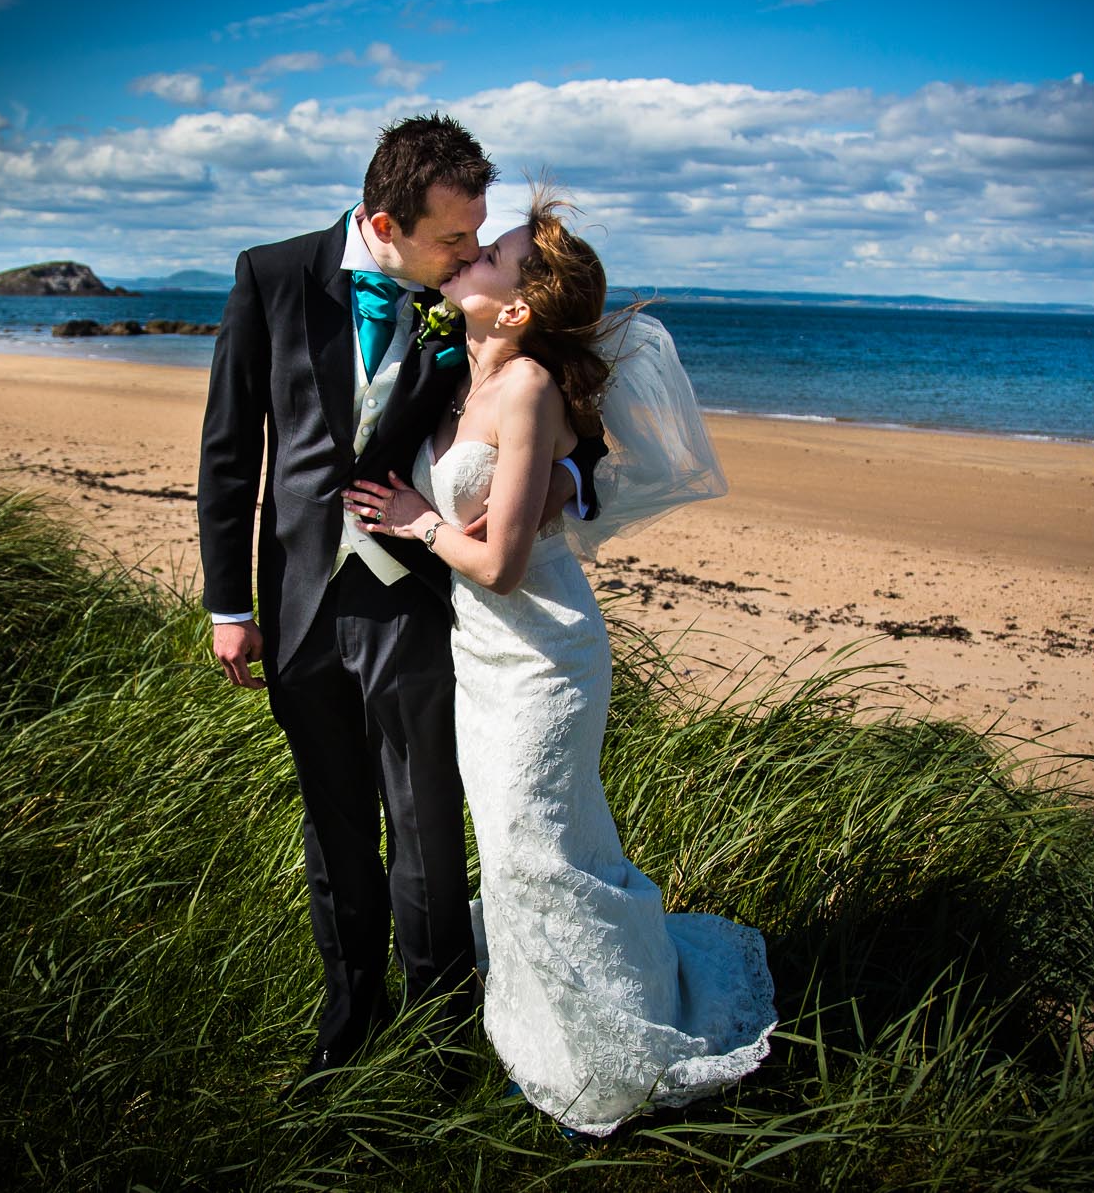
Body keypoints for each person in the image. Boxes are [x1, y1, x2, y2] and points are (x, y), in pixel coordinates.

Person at [342, 188, 776, 1137]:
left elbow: (497, 564)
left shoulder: (530, 385)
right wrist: (562, 475)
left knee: (540, 852)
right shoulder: (462, 370)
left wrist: (420, 522)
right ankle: (544, 1037)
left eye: (485, 252)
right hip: (481, 660)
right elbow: (571, 454)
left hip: (543, 654)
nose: (466, 255)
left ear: (519, 303)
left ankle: (610, 1055)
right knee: (516, 854)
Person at [197, 114, 598, 1096]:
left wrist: (566, 487)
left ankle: (444, 1031)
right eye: (453, 238)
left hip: (416, 602)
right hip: (295, 602)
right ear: (386, 220)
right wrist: (226, 604)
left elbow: (557, 413)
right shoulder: (271, 277)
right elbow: (228, 451)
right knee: (335, 825)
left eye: (476, 238)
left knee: (425, 824)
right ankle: (347, 1013)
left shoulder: (470, 307)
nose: (470, 253)